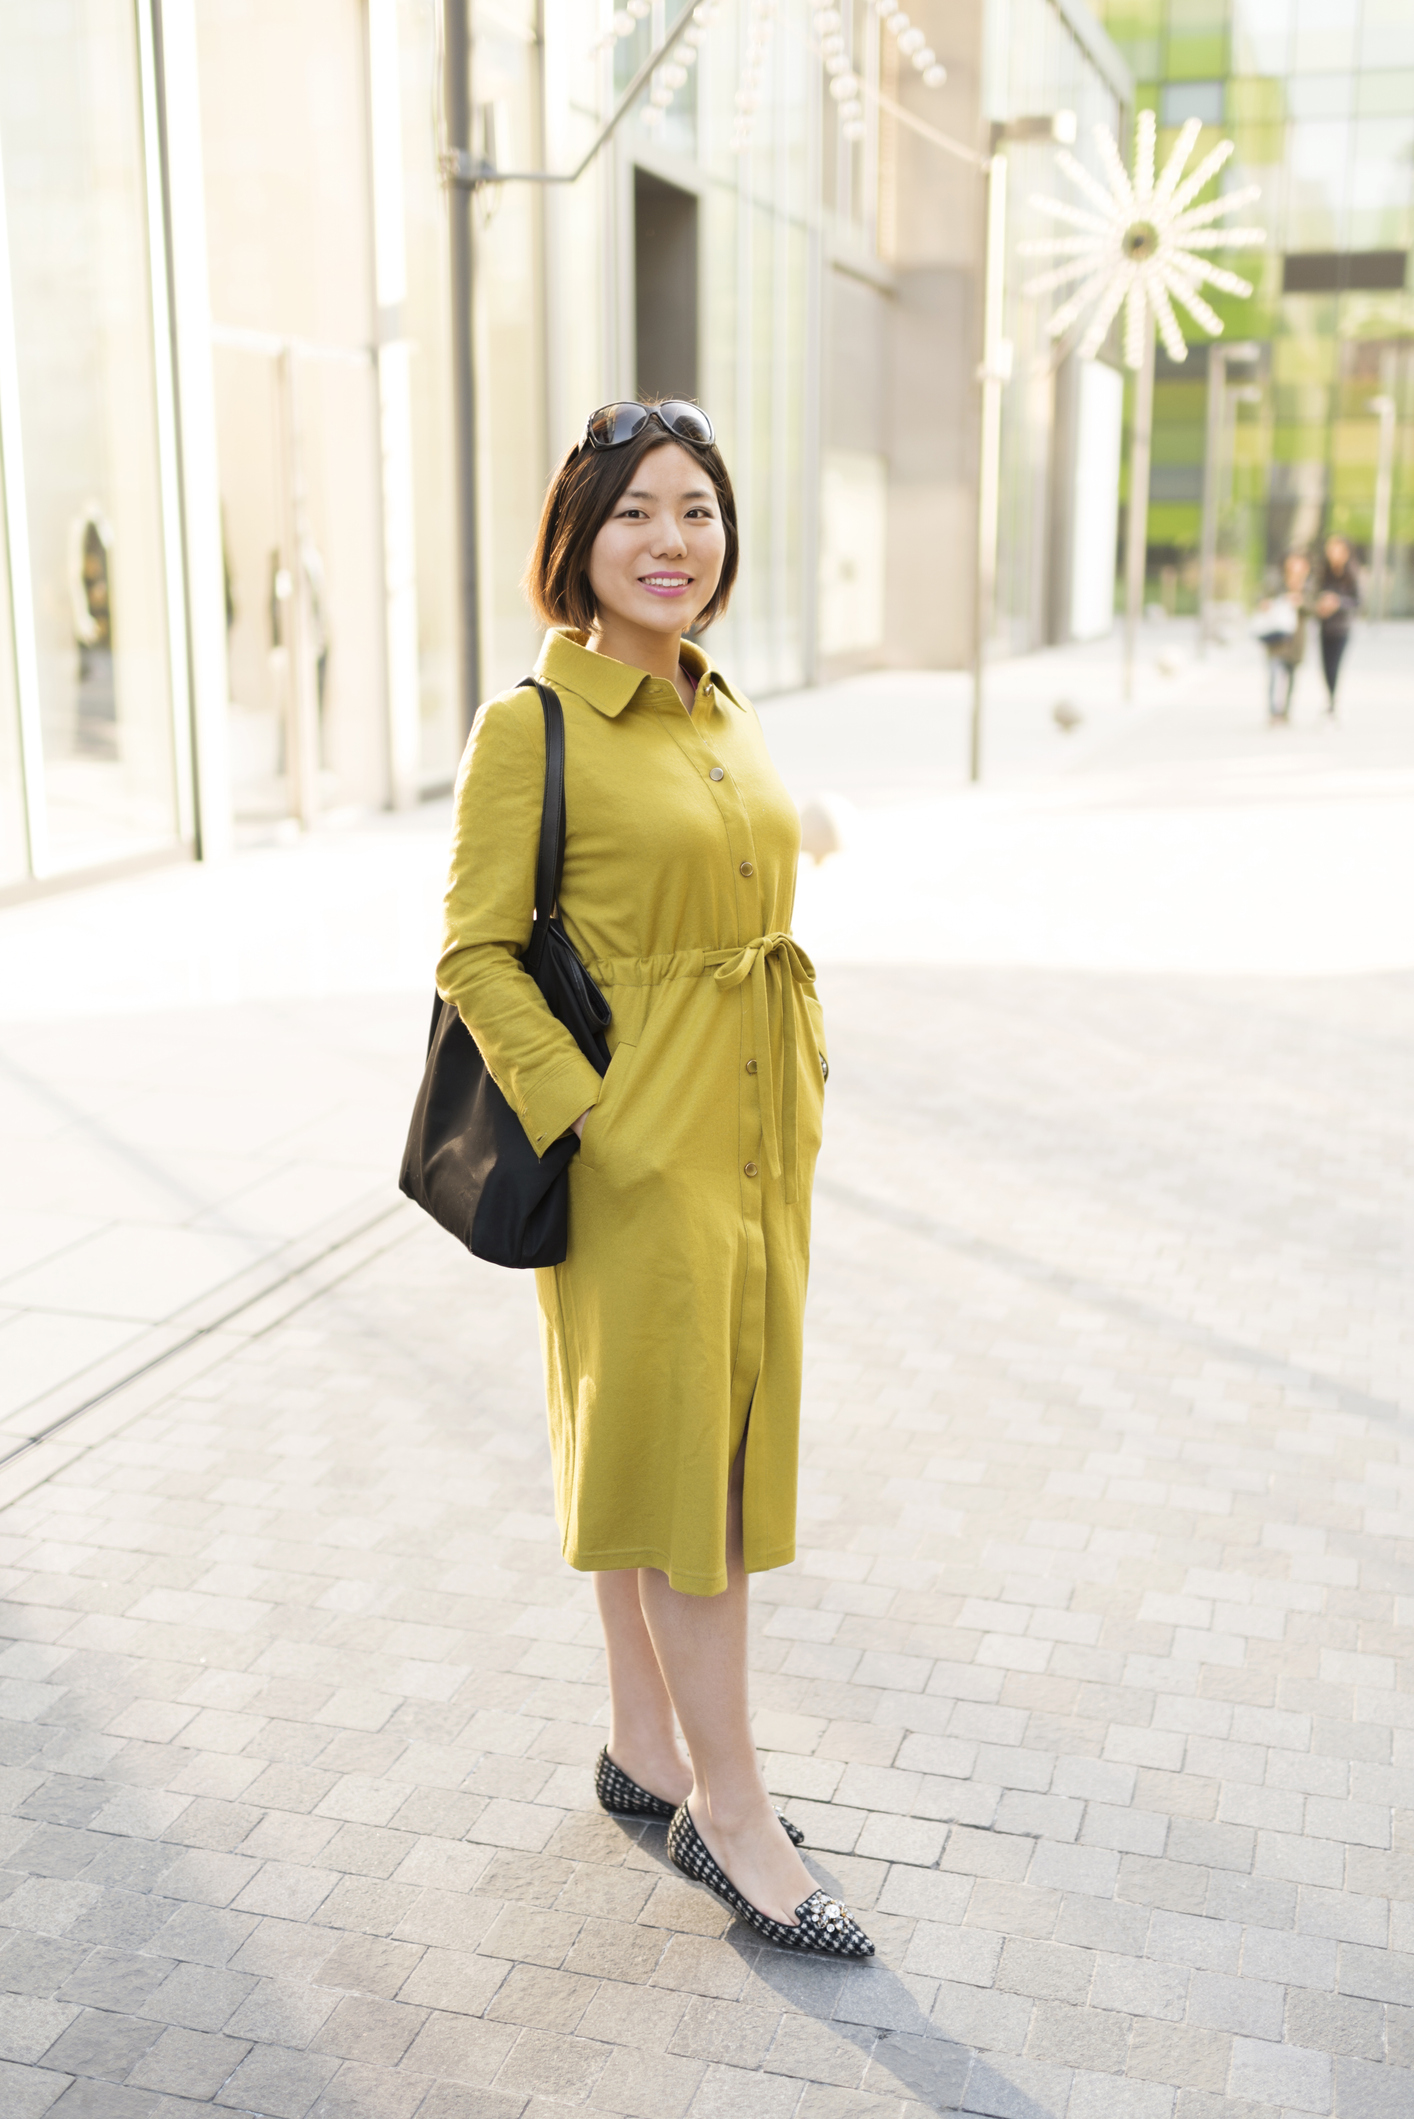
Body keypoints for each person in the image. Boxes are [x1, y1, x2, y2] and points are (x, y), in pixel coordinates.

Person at [436, 400, 872, 1958]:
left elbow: (734, 855)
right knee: (702, 1480)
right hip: (642, 1152)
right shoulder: (531, 726)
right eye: (635, 513)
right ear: (579, 540)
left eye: (697, 509)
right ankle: (733, 1811)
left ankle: (644, 1745)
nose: (671, 540)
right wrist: (594, 1118)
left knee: (662, 1449)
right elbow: (475, 952)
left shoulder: (716, 697)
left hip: (760, 1136)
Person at [1259, 550, 1311, 723]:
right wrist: (1268, 603)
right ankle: (1274, 711)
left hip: (1296, 639)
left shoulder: (1309, 585)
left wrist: (1301, 602)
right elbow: (1261, 597)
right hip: (1277, 637)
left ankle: (1286, 710)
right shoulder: (1275, 582)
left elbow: (1314, 609)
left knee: (1292, 675)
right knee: (1274, 673)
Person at [1314, 534, 1360, 714]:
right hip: (1325, 626)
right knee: (1325, 667)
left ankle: (1332, 703)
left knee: (1334, 666)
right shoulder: (1323, 572)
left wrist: (1338, 602)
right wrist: (1321, 603)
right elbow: (1314, 593)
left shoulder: (1352, 574)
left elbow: (1358, 601)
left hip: (1342, 628)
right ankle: (1329, 699)